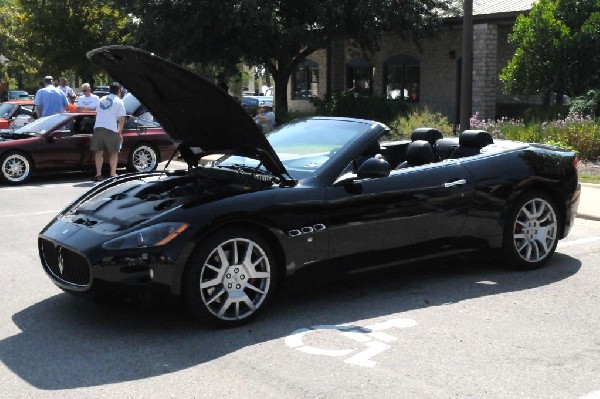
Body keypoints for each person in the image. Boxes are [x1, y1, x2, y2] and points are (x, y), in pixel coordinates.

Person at [90, 82, 126, 181]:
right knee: (114, 152)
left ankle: (98, 174)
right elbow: (122, 118)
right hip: (111, 128)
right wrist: (119, 132)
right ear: (118, 91)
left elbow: (97, 113)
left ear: (109, 90)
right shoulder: (119, 101)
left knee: (99, 152)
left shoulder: (101, 99)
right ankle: (113, 173)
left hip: (98, 127)